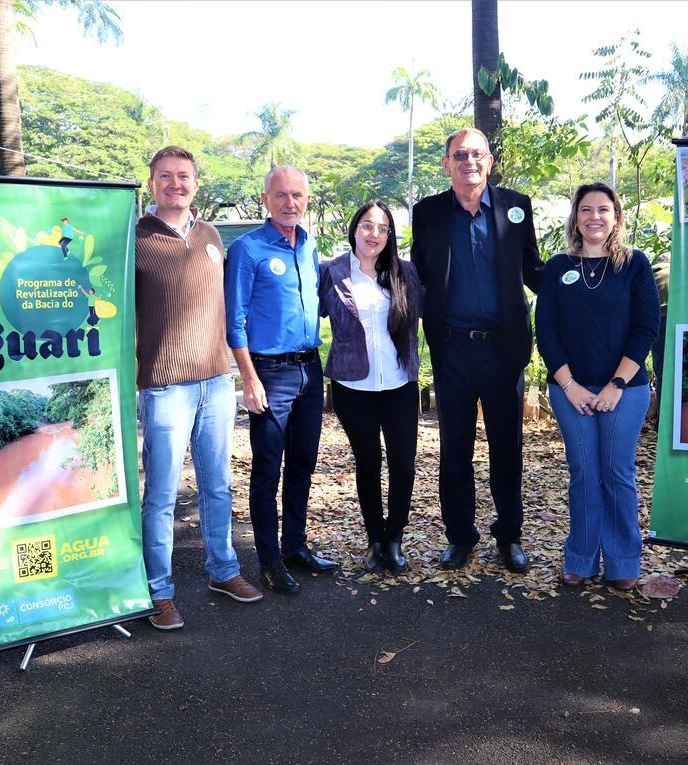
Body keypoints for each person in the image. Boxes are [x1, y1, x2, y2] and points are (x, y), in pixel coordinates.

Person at [135, 145, 263, 631]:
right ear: (152, 184)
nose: (176, 184)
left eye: (184, 176)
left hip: (215, 381)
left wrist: (240, 372)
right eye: (165, 176)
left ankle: (223, 570)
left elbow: (229, 311)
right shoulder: (136, 238)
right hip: (165, 387)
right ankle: (159, 591)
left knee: (217, 485)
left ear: (196, 184)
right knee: (163, 493)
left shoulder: (210, 235)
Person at [410, 128, 543, 572]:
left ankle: (510, 536)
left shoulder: (517, 207)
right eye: (460, 154)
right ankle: (461, 536)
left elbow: (532, 269)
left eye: (477, 154)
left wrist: (582, 283)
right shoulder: (427, 213)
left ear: (490, 161)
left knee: (508, 447)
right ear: (446, 163)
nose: (470, 161)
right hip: (453, 352)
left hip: (505, 352)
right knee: (455, 448)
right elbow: (421, 275)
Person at [535, 182, 659, 591]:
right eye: (586, 210)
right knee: (584, 472)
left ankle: (624, 561)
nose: (594, 217)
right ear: (576, 218)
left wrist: (616, 384)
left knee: (616, 471)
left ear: (616, 217)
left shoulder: (635, 265)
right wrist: (568, 384)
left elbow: (645, 329)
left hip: (625, 390)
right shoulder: (557, 267)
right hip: (571, 389)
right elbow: (546, 331)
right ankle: (582, 559)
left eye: (603, 209)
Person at [225, 165, 339, 593]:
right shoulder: (248, 249)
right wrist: (248, 378)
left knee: (303, 466)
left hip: (311, 368)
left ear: (306, 199)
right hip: (270, 373)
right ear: (265, 198)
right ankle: (269, 561)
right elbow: (233, 320)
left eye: (298, 196)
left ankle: (295, 546)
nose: (290, 203)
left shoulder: (309, 248)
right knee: (267, 469)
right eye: (281, 195)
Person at [319, 201, 424, 574]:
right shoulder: (331, 272)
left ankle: (394, 538)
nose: (374, 234)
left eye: (382, 228)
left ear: (389, 235)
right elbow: (303, 309)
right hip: (352, 385)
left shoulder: (405, 273)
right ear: (354, 229)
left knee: (403, 463)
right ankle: (374, 539)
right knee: (368, 462)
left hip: (398, 383)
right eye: (367, 225)